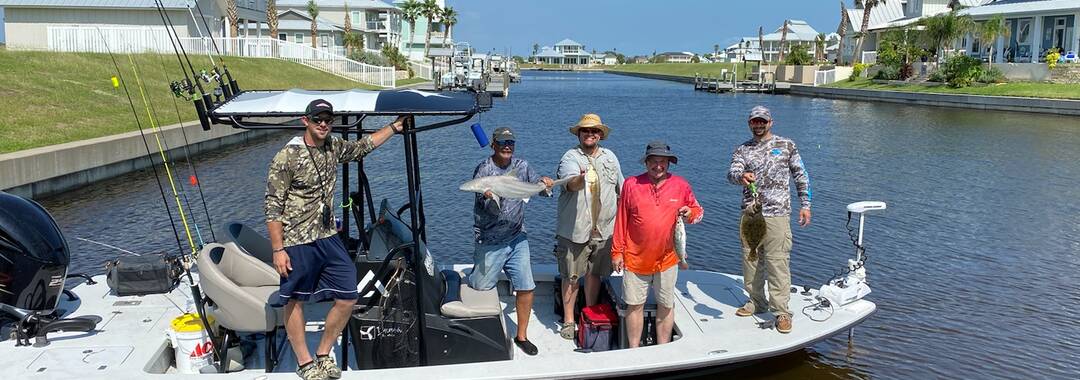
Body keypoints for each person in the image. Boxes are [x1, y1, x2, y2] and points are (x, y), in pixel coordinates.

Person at [265, 99, 407, 380]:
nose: (323, 124)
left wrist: (393, 127)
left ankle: (323, 354)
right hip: (296, 240)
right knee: (294, 300)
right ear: (305, 120)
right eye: (318, 119)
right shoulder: (287, 156)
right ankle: (304, 362)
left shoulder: (333, 146)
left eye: (328, 119)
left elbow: (362, 147)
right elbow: (272, 205)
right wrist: (278, 249)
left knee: (348, 296)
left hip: (328, 237)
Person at [469, 127, 554, 356]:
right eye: (503, 142)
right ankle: (481, 334)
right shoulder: (484, 170)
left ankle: (522, 336)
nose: (508, 146)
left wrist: (545, 185)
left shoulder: (522, 166)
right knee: (480, 288)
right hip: (490, 240)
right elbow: (483, 206)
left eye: (511, 142)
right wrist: (489, 197)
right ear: (493, 145)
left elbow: (537, 185)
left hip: (518, 237)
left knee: (526, 286)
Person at [727, 105, 811, 335]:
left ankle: (781, 311)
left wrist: (805, 205)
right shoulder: (742, 150)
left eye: (762, 121)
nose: (758, 125)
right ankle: (756, 301)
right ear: (749, 123)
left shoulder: (786, 145)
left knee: (777, 263)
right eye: (754, 121)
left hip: (778, 214)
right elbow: (731, 173)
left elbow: (801, 175)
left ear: (770, 122)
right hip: (750, 214)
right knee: (750, 260)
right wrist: (741, 176)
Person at [611, 141, 703, 348]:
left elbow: (698, 213)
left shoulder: (681, 185)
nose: (658, 166)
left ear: (669, 163)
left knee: (666, 304)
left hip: (668, 259)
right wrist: (617, 252)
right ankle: (634, 349)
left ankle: (663, 348)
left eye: (663, 162)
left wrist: (690, 213)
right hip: (635, 258)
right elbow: (621, 220)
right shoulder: (631, 184)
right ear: (646, 163)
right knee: (634, 305)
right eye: (654, 161)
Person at [554, 113, 623, 340]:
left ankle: (590, 312)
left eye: (595, 131)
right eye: (586, 130)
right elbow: (570, 185)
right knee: (572, 276)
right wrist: (580, 179)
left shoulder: (610, 157)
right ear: (579, 134)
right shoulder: (570, 157)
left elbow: (621, 190)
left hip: (604, 229)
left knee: (595, 274)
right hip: (574, 231)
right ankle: (568, 320)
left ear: (601, 135)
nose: (590, 134)